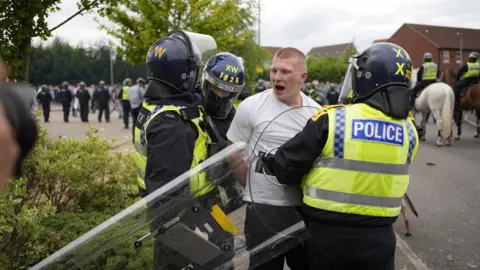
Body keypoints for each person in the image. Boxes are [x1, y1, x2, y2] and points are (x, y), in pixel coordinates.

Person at [261, 42, 419, 270]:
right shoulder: (410, 131)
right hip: (380, 238)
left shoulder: (333, 119)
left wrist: (271, 162)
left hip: (326, 237)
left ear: (365, 79)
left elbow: (285, 168)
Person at [133, 30, 226, 269]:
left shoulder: (160, 105)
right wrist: (189, 241)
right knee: (216, 259)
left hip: (197, 209)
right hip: (185, 218)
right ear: (182, 74)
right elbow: (167, 196)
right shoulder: (172, 124)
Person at [226, 47, 319, 270]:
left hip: (303, 210)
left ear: (302, 77)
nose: (277, 77)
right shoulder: (251, 106)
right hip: (262, 212)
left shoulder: (317, 114)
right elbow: (232, 152)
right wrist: (252, 189)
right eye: (274, 70)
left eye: (285, 72)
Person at [201, 52, 246, 212]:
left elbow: (236, 154)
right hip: (194, 189)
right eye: (216, 88)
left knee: (225, 235)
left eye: (226, 92)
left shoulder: (232, 114)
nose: (220, 96)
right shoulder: (191, 110)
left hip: (221, 184)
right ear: (206, 83)